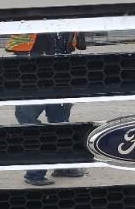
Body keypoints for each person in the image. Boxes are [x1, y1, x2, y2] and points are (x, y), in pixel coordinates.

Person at [8, 31, 89, 186]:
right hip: (33, 77)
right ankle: (36, 173)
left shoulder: (68, 19)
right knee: (32, 125)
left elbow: (78, 45)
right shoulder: (29, 16)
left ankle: (63, 167)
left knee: (61, 123)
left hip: (59, 75)